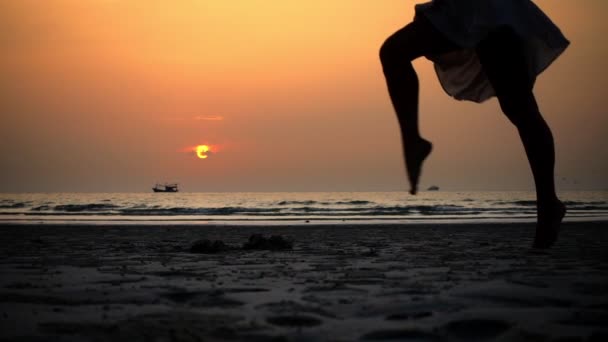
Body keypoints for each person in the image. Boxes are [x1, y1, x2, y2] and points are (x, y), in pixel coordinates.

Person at [379, 0, 569, 248]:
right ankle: (548, 205)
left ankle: (548, 205)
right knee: (520, 108)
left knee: (519, 107)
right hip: (470, 8)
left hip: (486, 8)